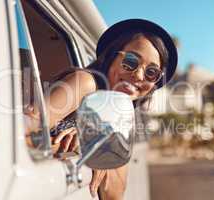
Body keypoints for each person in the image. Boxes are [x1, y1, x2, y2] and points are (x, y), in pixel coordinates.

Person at [25, 19, 178, 200]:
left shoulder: (120, 118)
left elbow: (115, 194)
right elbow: (20, 132)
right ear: (112, 56)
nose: (138, 75)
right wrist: (80, 145)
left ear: (154, 84)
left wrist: (101, 149)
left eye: (151, 73)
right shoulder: (86, 83)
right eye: (130, 61)